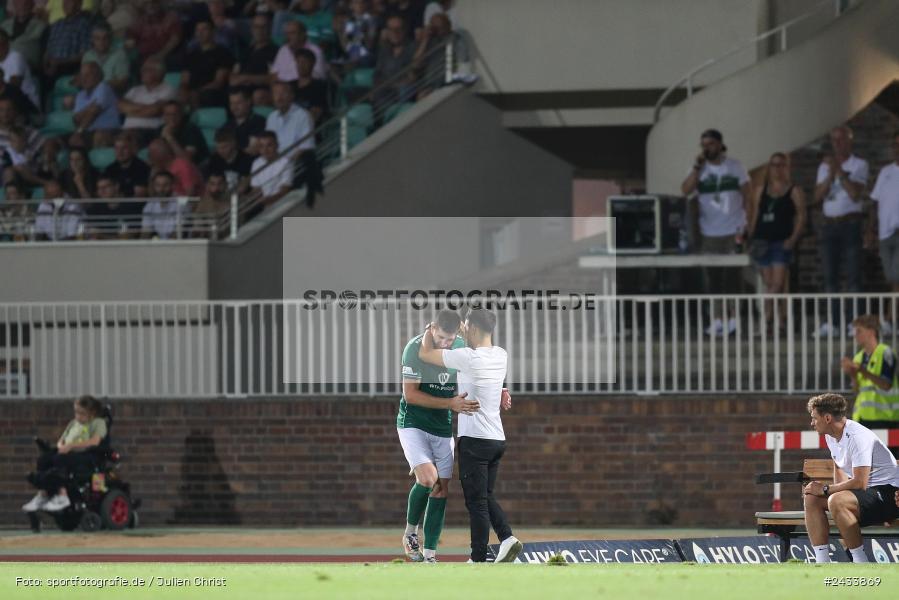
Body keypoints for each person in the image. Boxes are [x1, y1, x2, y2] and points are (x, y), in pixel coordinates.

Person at [417, 307, 522, 564]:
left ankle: (478, 557)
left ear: (473, 327)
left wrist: (430, 330)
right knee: (484, 496)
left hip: (474, 440)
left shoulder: (467, 357)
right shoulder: (501, 355)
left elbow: (426, 354)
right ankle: (507, 540)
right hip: (497, 438)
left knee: (476, 502)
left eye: (466, 326)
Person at [395, 309, 478, 563]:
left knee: (441, 489)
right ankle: (410, 533)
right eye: (441, 338)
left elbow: (478, 371)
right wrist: (450, 403)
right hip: (413, 424)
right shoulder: (414, 350)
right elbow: (411, 395)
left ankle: (430, 554)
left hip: (442, 427)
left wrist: (501, 389)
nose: (445, 344)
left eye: (449, 340)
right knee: (428, 478)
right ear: (432, 328)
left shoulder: (460, 346)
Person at [803, 392, 899, 563]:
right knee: (812, 498)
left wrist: (826, 490)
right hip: (866, 494)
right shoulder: (830, 435)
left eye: (814, 418)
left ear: (827, 418)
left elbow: (859, 483)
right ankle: (822, 561)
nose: (811, 423)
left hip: (889, 494)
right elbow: (839, 465)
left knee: (836, 500)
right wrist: (829, 494)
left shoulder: (857, 437)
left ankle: (860, 560)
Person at [680, 128, 751, 336]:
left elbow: (748, 195)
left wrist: (747, 224)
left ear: (720, 145)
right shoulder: (699, 170)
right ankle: (717, 318)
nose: (707, 148)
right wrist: (696, 168)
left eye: (710, 144)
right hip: (709, 232)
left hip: (733, 229)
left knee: (732, 276)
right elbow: (684, 190)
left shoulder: (735, 166)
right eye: (703, 145)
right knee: (713, 278)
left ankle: (733, 317)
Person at [813, 125, 869, 338]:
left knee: (854, 277)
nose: (838, 144)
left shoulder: (859, 164)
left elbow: (855, 193)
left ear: (850, 141)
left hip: (850, 224)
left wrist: (839, 171)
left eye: (842, 139)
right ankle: (833, 322)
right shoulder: (823, 167)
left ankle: (855, 323)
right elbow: (817, 198)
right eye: (834, 140)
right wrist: (829, 175)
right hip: (829, 225)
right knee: (830, 278)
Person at [746, 152, 806, 334]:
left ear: (786, 167)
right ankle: (776, 321)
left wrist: (793, 238)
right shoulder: (760, 190)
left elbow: (801, 216)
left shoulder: (794, 190)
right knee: (769, 282)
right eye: (773, 165)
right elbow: (755, 215)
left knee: (777, 284)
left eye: (781, 165)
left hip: (782, 241)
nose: (777, 169)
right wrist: (750, 237)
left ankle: (765, 318)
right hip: (763, 240)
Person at [22, 395, 108, 513]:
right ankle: (43, 493)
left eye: (82, 413)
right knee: (44, 459)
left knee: (60, 459)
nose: (78, 416)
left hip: (86, 455)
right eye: (76, 412)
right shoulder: (73, 423)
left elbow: (95, 442)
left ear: (92, 412)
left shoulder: (98, 422)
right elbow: (61, 441)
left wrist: (71, 446)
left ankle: (62, 495)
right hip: (67, 453)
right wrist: (61, 447)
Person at [840, 314, 899, 435]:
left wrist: (862, 371)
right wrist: (852, 374)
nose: (855, 335)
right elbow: (857, 391)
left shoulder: (885, 353)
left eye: (859, 331)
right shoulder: (858, 357)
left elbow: (886, 384)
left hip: (886, 418)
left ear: (871, 332)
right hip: (863, 418)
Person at [869, 132, 899, 334]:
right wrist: (871, 228)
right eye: (895, 144)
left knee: (897, 276)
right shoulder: (885, 172)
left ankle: (889, 319)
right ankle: (891, 319)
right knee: (891, 277)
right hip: (885, 233)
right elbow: (875, 201)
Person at [119, 58, 177, 143]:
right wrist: (146, 108)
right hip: (126, 130)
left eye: (146, 70)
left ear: (159, 73)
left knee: (125, 138)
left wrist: (130, 109)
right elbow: (120, 107)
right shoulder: (135, 90)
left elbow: (154, 111)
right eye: (142, 69)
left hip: (150, 131)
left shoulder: (168, 89)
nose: (142, 72)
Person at [179, 19, 234, 109]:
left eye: (204, 29)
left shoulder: (223, 53)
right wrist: (183, 90)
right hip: (192, 91)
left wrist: (198, 92)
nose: (200, 33)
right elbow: (184, 80)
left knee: (204, 96)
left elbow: (218, 82)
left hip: (212, 92)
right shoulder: (190, 55)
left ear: (213, 31)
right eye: (198, 30)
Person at [229, 12, 278, 107]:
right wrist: (236, 79)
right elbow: (234, 73)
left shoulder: (275, 51)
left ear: (270, 29)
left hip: (261, 90)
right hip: (242, 90)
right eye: (256, 27)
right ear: (252, 29)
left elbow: (273, 78)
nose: (260, 30)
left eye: (263, 27)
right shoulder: (245, 51)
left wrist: (248, 78)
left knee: (258, 95)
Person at [71, 60, 121, 148]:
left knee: (99, 136)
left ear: (98, 76)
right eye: (82, 75)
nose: (84, 79)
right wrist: (89, 108)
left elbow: (94, 113)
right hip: (87, 131)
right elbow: (76, 119)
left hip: (109, 131)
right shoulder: (80, 94)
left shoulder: (103, 87)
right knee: (53, 140)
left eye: (88, 75)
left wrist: (78, 132)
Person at [43, 0, 95, 81]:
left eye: (70, 1)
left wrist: (60, 62)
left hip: (70, 67)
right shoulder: (56, 24)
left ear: (79, 5)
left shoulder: (84, 24)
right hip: (51, 66)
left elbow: (85, 53)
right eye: (65, 2)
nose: (66, 4)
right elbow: (48, 49)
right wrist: (45, 65)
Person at [248, 130, 293, 211]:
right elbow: (256, 189)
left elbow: (285, 191)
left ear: (277, 145)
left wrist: (268, 200)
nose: (265, 150)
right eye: (261, 146)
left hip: (284, 204)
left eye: (269, 145)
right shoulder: (256, 163)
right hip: (265, 207)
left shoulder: (286, 161)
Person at [80, 23, 130, 95]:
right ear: (92, 40)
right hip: (90, 93)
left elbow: (123, 81)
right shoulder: (88, 55)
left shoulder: (120, 54)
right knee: (69, 99)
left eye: (105, 38)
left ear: (110, 38)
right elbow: (84, 77)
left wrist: (99, 87)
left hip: (111, 93)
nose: (101, 42)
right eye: (97, 38)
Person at [141, 170, 191, 239]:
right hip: (157, 245)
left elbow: (178, 232)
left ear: (172, 185)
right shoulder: (150, 205)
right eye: (158, 185)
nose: (161, 189)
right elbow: (145, 232)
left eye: (165, 185)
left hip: (178, 245)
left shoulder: (182, 202)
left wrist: (165, 247)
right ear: (154, 186)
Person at [2, 0, 47, 72]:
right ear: (14, 4)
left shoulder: (41, 26)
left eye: (26, 2)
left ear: (32, 5)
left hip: (27, 69)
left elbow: (44, 55)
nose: (22, 5)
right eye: (19, 2)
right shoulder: (4, 26)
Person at [158, 100, 208, 165]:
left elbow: (186, 160)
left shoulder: (191, 129)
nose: (172, 118)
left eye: (175, 114)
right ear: (163, 116)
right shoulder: (160, 129)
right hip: (171, 165)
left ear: (181, 115)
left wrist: (170, 138)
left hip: (196, 167)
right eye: (168, 114)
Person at [205, 126, 253, 194]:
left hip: (241, 199)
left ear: (233, 144)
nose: (221, 151)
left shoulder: (246, 160)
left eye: (224, 147)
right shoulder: (214, 159)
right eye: (218, 147)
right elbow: (209, 184)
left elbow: (244, 186)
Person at [0, 28, 38, 109]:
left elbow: (14, 88)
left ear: (7, 44)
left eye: (1, 43)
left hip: (25, 107)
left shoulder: (15, 57)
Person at [104, 132, 150, 197]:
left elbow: (139, 194)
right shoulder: (110, 169)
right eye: (117, 148)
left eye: (124, 148)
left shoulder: (142, 168)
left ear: (132, 149)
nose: (120, 152)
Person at [226, 89, 266, 156]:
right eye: (232, 103)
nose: (234, 107)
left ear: (248, 102)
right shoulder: (227, 125)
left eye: (238, 103)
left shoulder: (259, 122)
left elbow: (253, 150)